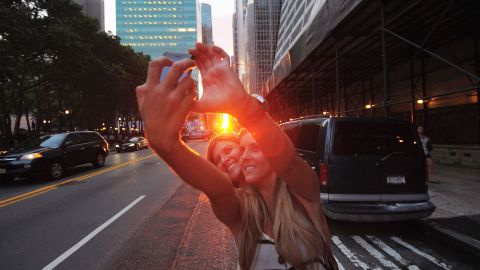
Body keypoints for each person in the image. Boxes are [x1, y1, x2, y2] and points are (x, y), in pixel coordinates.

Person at [135, 43, 337, 270]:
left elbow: (289, 163)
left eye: (254, 147)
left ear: (273, 156)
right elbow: (218, 188)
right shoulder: (241, 212)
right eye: (242, 150)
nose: (244, 156)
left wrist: (242, 106)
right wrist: (168, 146)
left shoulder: (304, 194)